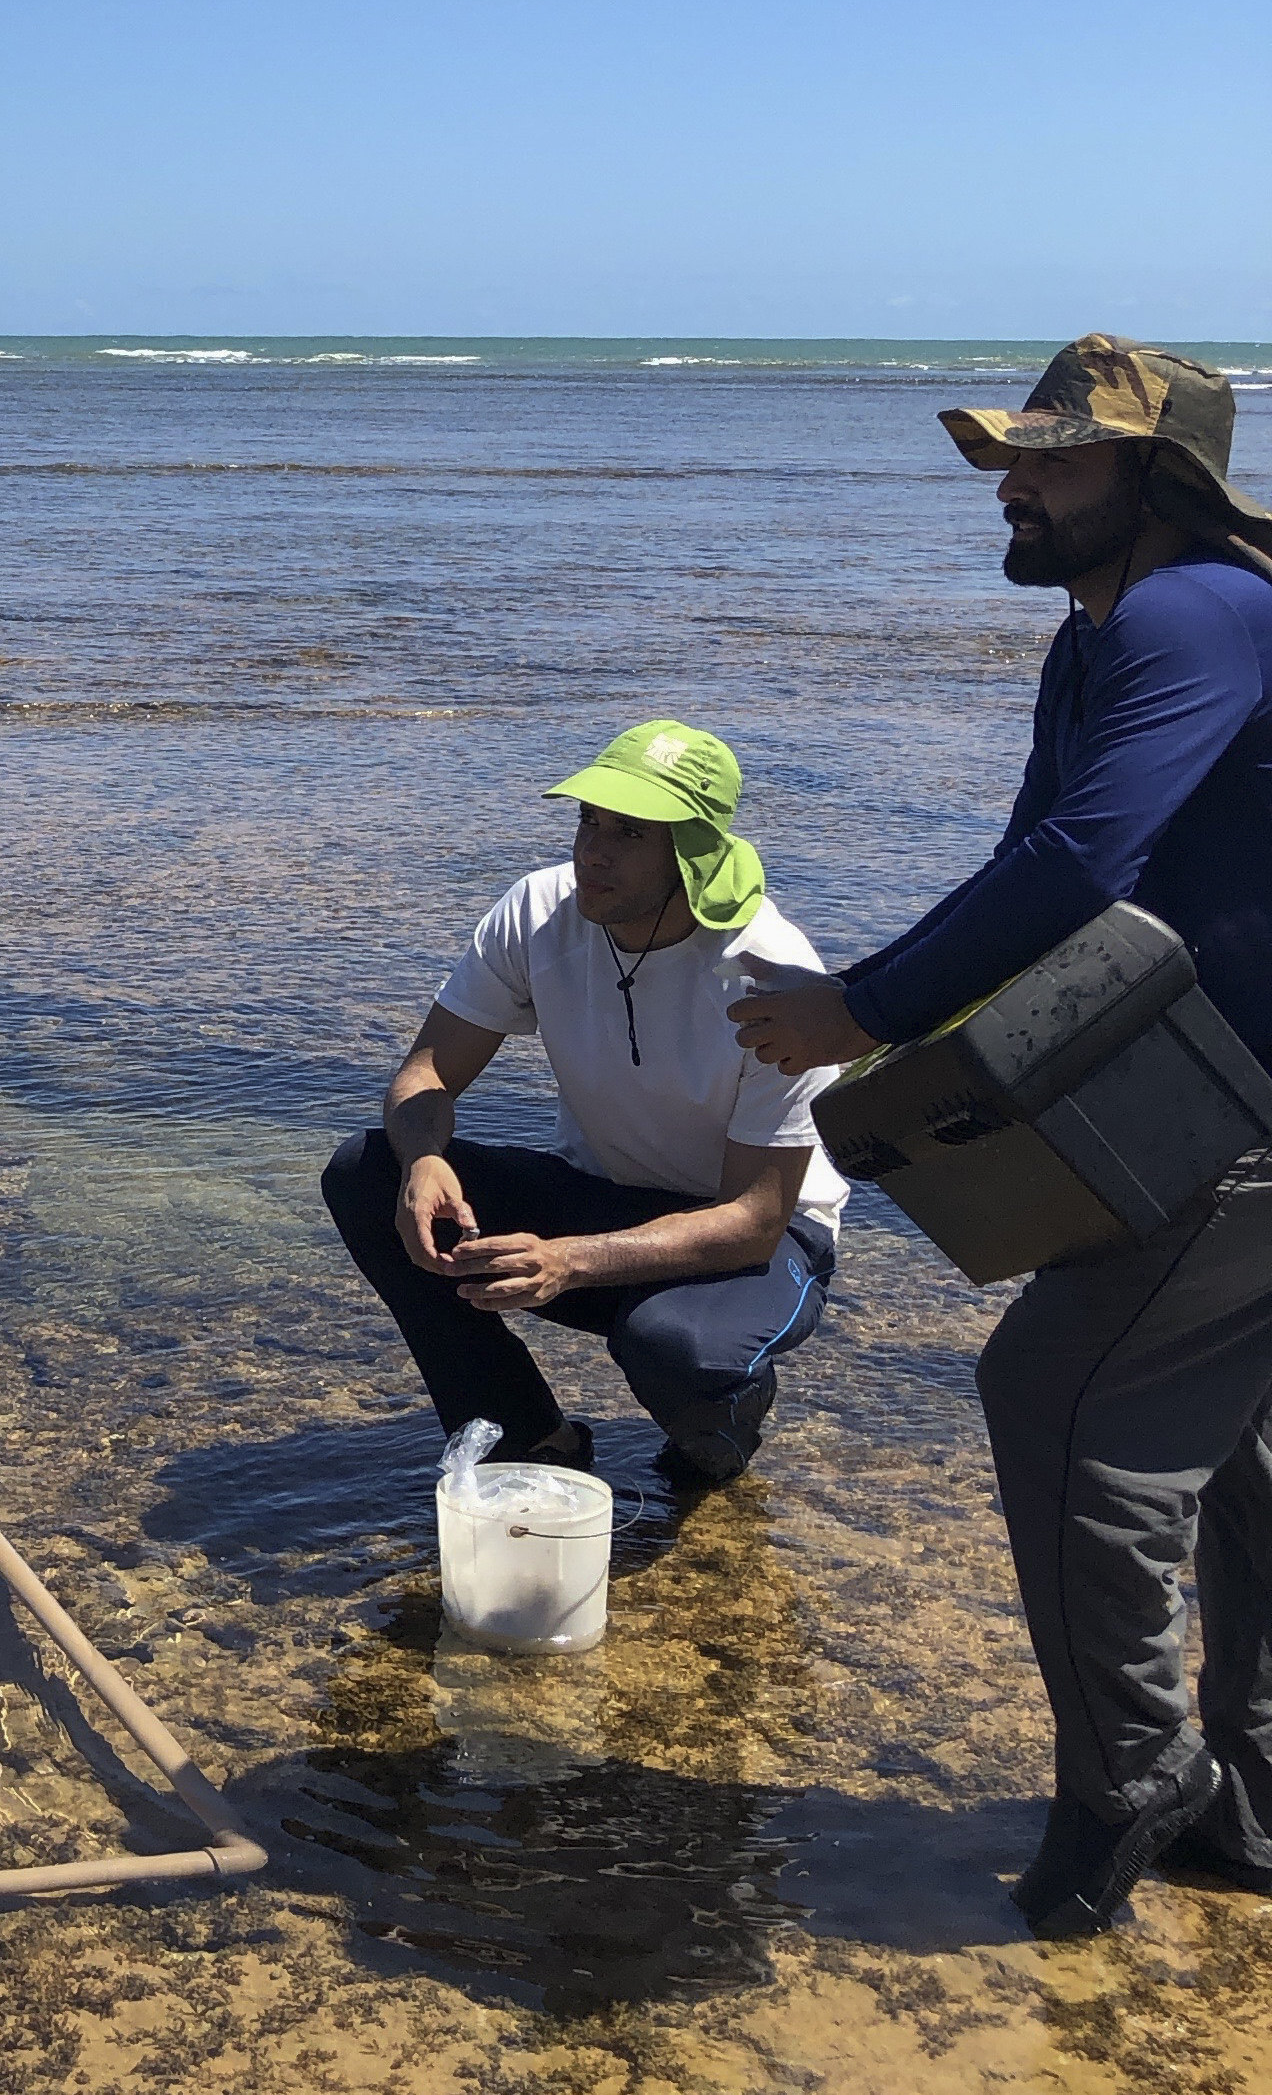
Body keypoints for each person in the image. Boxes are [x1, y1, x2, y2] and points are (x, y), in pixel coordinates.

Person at [733, 335, 1272, 1939]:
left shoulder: (1197, 608)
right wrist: (938, 1058)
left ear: (1157, 474)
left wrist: (868, 1010)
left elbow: (1086, 863)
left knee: (1058, 1396)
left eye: (1055, 457)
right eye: (1009, 454)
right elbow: (1038, 854)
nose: (1013, 482)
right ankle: (1246, 1802)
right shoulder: (1099, 636)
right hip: (1182, 1082)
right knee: (1235, 1449)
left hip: (1230, 1110)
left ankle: (1133, 1774)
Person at [322, 721, 848, 1483]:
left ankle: (716, 1444)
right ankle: (524, 1437)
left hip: (761, 1244)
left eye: (630, 832)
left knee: (676, 1348)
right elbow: (424, 1074)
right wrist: (424, 1158)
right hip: (606, 1198)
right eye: (588, 820)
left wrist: (565, 1262)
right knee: (368, 1174)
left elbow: (753, 1222)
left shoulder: (771, 976)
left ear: (694, 851)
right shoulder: (540, 909)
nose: (592, 851)